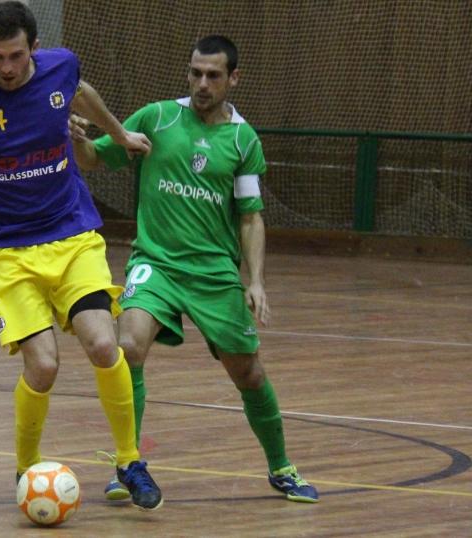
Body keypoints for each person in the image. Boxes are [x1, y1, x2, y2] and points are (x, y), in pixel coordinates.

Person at [0, 1, 163, 511]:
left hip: (72, 233)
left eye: (16, 55)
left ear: (33, 46)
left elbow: (82, 93)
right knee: (45, 366)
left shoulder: (61, 65)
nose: (6, 67)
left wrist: (116, 135)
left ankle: (128, 459)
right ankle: (26, 466)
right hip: (5, 251)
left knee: (102, 344)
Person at [69, 35, 319, 503]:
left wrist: (256, 280)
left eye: (214, 75)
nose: (202, 83)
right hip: (155, 263)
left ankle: (281, 466)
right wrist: (77, 139)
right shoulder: (157, 117)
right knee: (128, 347)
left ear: (233, 79)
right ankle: (128, 461)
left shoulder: (243, 138)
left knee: (249, 375)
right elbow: (94, 159)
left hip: (213, 274)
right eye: (195, 73)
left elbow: (250, 217)